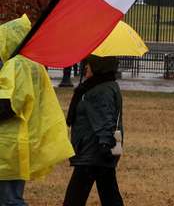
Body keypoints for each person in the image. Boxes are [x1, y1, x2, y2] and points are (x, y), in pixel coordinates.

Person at [0, 15, 74, 206]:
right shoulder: (33, 64)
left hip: (8, 143)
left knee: (9, 200)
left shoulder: (17, 65)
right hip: (17, 141)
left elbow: (8, 105)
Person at [63, 55, 124, 206]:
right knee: (110, 195)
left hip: (94, 151)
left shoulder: (100, 90)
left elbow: (106, 119)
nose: (85, 67)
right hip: (96, 151)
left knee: (74, 198)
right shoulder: (98, 85)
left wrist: (104, 145)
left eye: (89, 64)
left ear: (99, 66)